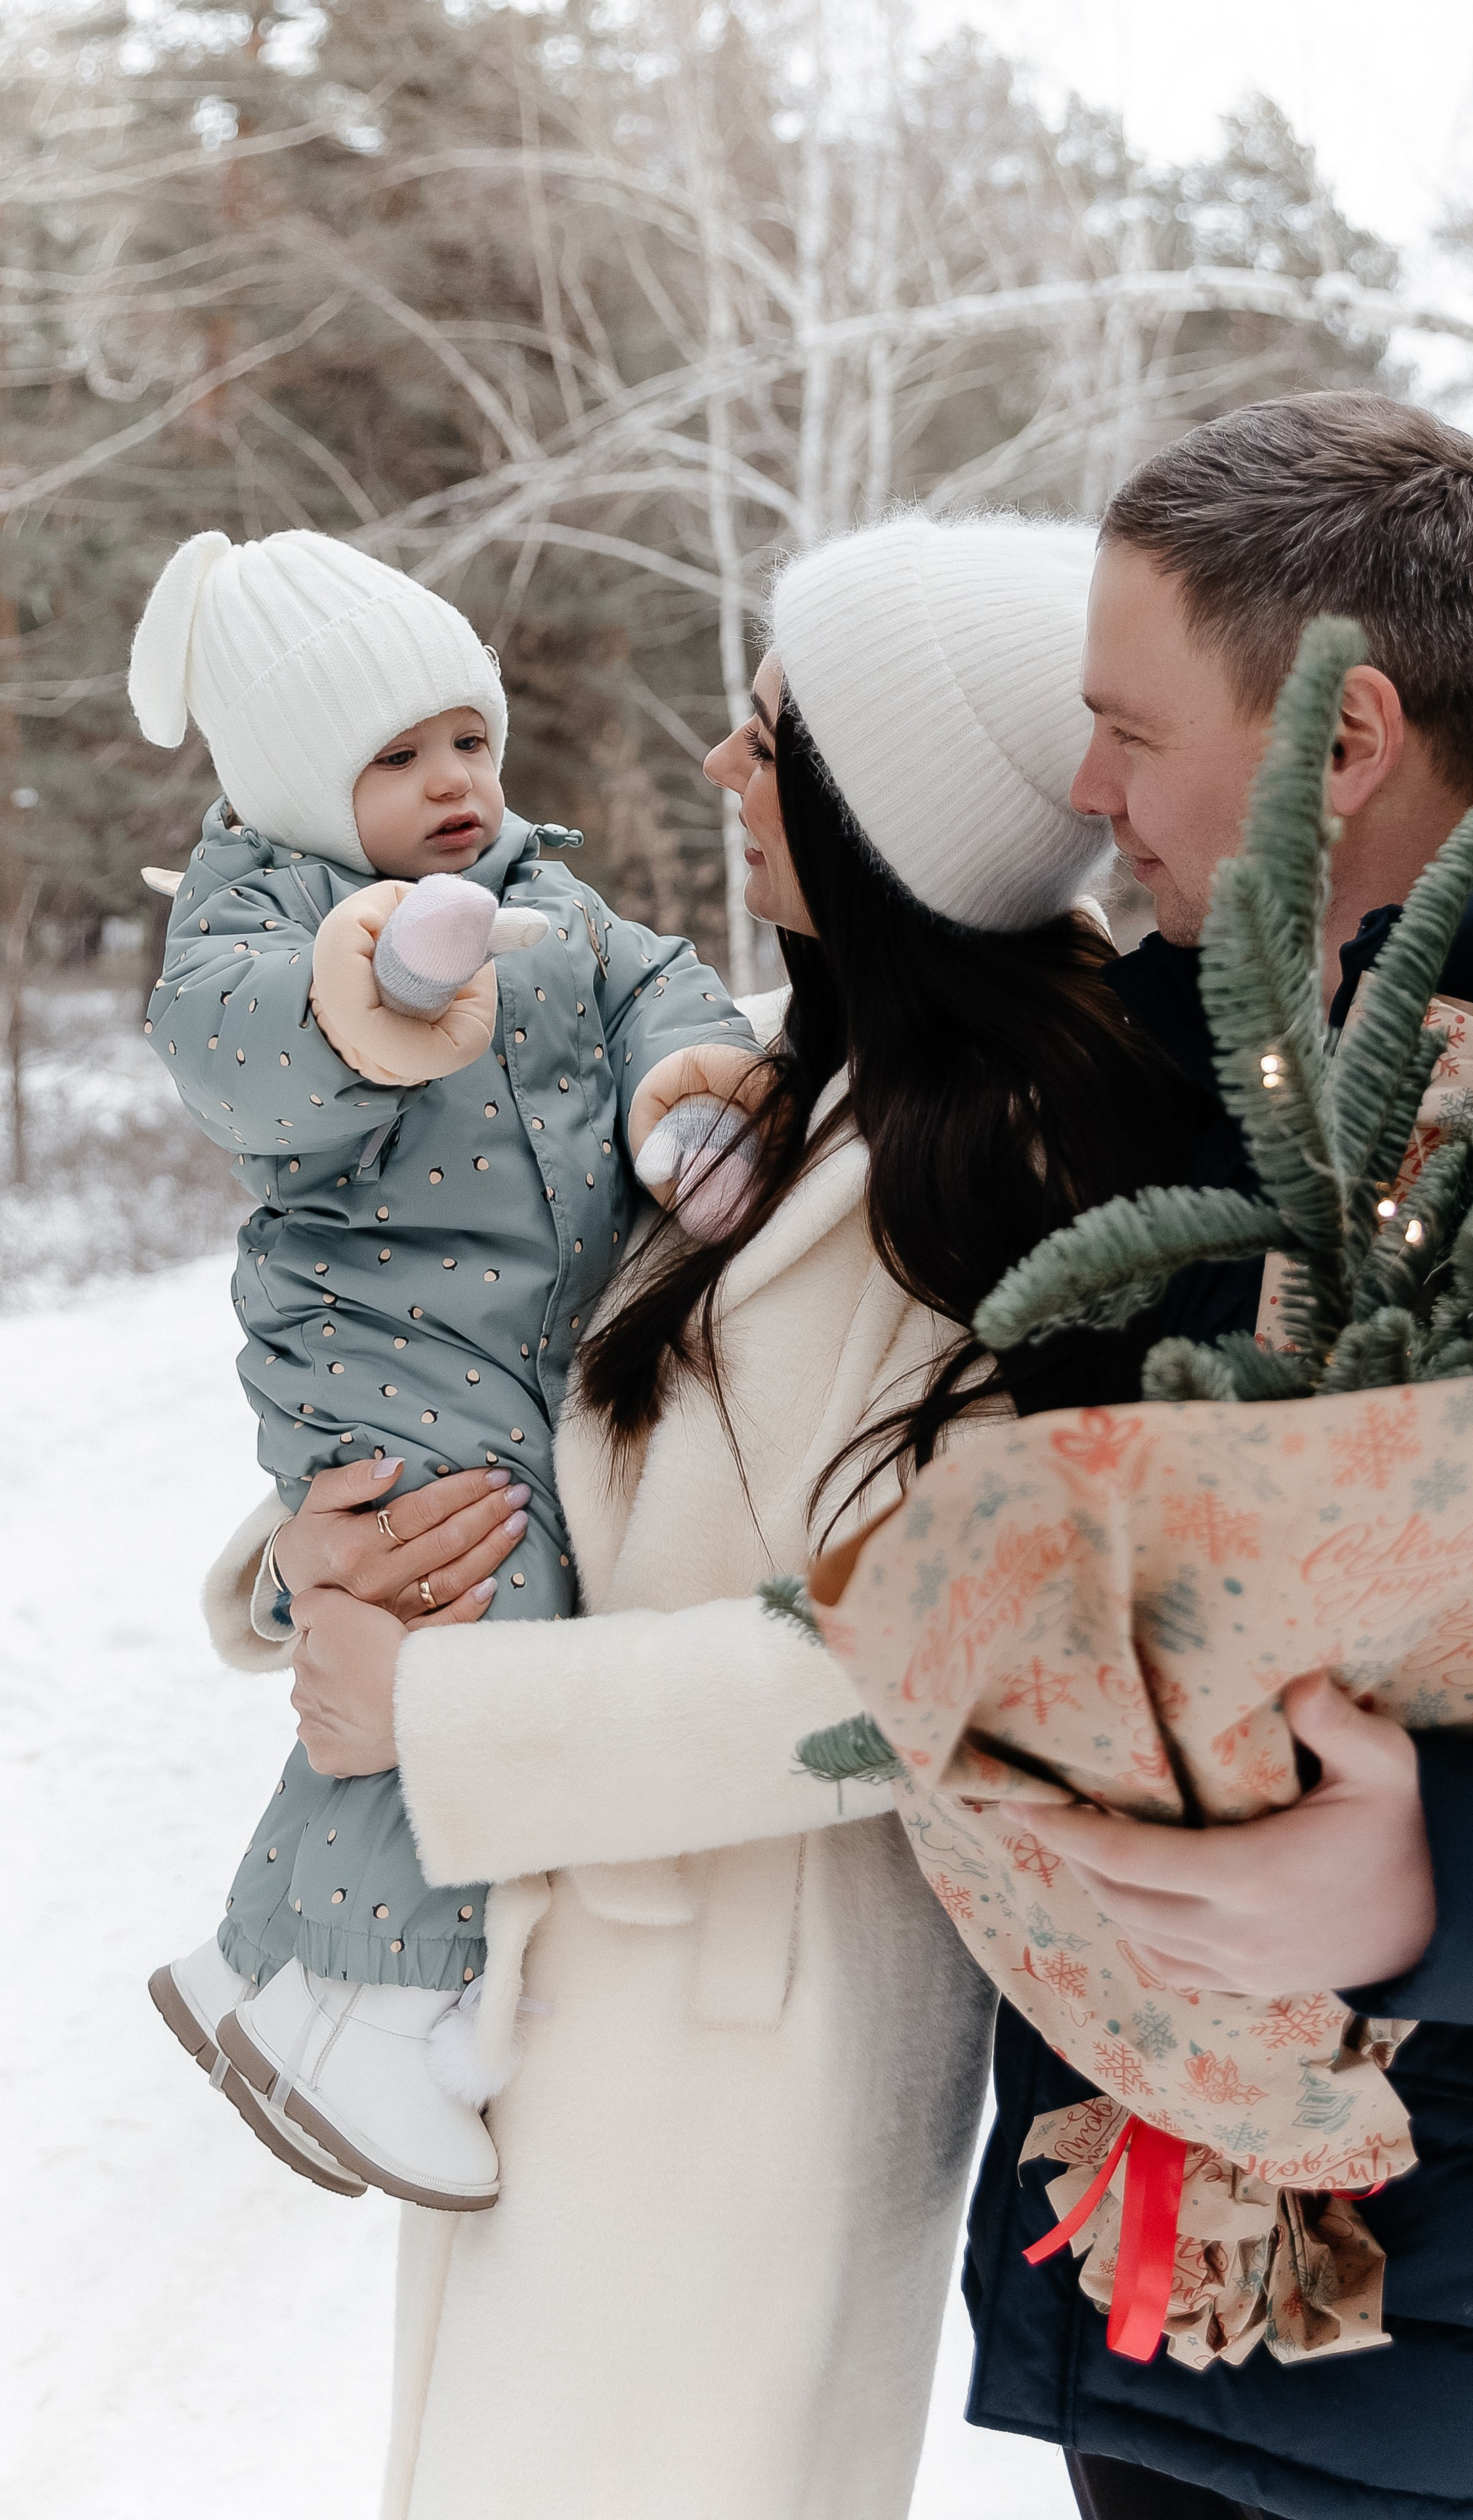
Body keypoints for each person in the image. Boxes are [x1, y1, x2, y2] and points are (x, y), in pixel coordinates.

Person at [197, 513, 1202, 2519]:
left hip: (757, 2057)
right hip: (581, 2002)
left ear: (885, 813)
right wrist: (315, 1565)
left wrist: (441, 1720)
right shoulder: (749, 1087)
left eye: (768, 735)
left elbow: (930, 1653)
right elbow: (520, 1387)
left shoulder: (1016, 1173)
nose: (719, 769)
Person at [962, 392, 1473, 2520]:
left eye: (1129, 729)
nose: (1089, 792)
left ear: (1348, 738)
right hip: (1156, 2284)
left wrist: (1440, 1880)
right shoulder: (1191, 1061)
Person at [135, 527, 755, 2212]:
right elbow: (226, 1048)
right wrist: (375, 985)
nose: (453, 783)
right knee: (469, 1614)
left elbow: (661, 988)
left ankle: (284, 1967)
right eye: (396, 758)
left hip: (520, 1350)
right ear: (293, 779)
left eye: (467, 739)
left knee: (472, 1609)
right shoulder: (269, 902)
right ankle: (356, 2000)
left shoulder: (552, 893)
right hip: (376, 1348)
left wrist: (685, 1100)